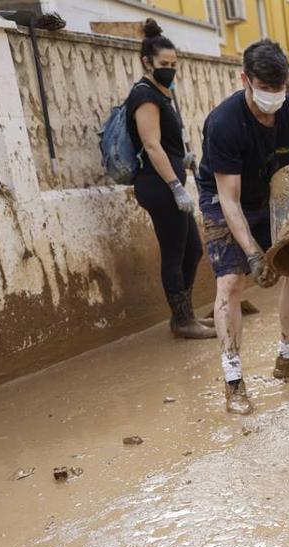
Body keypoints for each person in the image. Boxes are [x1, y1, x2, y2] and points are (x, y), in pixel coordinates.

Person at [196, 39, 289, 416]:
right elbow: (229, 200)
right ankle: (233, 379)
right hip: (226, 199)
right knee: (231, 283)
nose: (273, 96)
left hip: (274, 192)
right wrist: (254, 253)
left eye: (279, 88)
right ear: (246, 80)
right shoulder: (224, 123)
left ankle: (288, 356)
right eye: (265, 88)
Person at [126, 19, 214, 340]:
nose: (170, 70)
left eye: (174, 65)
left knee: (193, 250)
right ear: (146, 62)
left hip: (168, 181)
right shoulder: (145, 95)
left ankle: (185, 314)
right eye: (164, 64)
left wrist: (184, 159)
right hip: (159, 186)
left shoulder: (160, 92)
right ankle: (181, 320)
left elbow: (166, 141)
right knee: (176, 252)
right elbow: (150, 144)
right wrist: (176, 187)